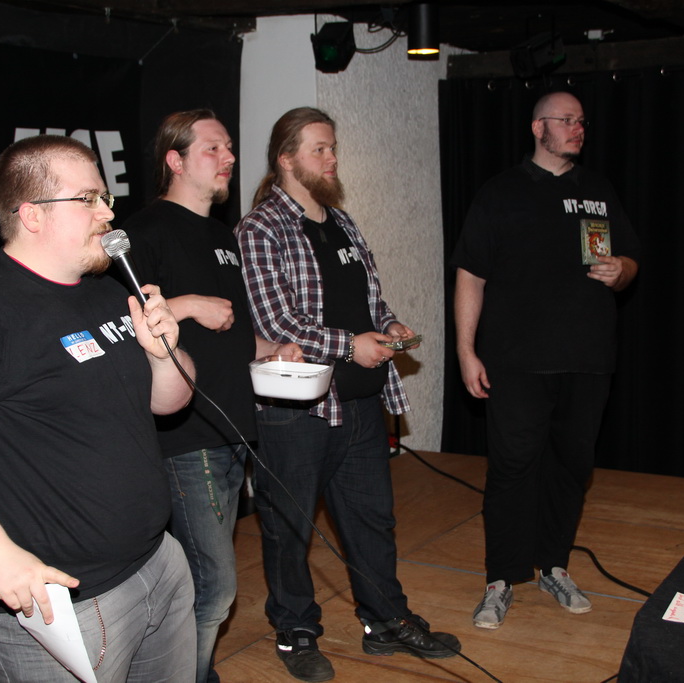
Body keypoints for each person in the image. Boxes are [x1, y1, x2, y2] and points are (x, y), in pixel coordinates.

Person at [0, 135, 199, 682]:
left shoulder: (109, 289)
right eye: (89, 199)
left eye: (105, 198)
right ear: (31, 215)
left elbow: (169, 403)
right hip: (58, 605)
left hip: (156, 564)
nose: (108, 213)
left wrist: (163, 353)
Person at [235, 106, 461, 683]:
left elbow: (368, 301)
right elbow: (276, 322)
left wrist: (389, 326)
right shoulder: (260, 229)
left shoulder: (342, 222)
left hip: (359, 403)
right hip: (297, 411)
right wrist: (349, 345)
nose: (331, 158)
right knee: (290, 527)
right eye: (319, 149)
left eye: (332, 147)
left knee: (372, 520)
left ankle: (385, 621)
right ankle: (295, 631)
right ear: (287, 159)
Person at [121, 109, 301, 683]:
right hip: (185, 436)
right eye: (213, 149)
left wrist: (274, 349)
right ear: (175, 161)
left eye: (228, 148)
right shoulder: (145, 233)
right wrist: (190, 305)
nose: (229, 158)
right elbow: (118, 326)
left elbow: (232, 330)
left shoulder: (223, 235)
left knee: (206, 584)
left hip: (233, 430)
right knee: (216, 587)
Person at [452, 91, 641, 629]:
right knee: (512, 469)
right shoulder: (500, 193)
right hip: (515, 362)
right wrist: (466, 350)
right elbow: (470, 275)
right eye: (566, 120)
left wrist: (621, 270)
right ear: (538, 128)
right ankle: (501, 579)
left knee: (572, 467)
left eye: (582, 121)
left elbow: (630, 261)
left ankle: (555, 566)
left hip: (588, 359)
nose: (578, 128)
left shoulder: (598, 190)